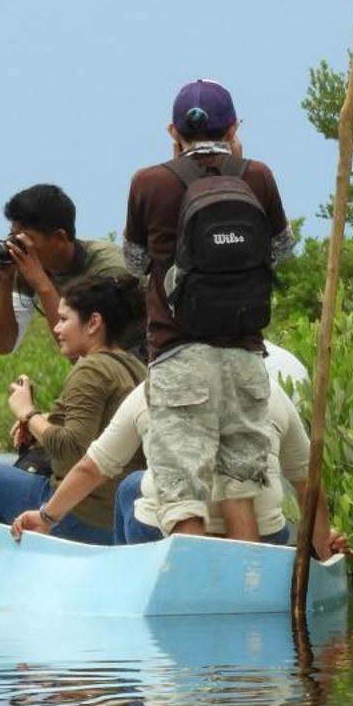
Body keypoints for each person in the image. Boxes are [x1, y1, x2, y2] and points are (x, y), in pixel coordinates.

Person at [123, 79, 296, 542]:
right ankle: (251, 588)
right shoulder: (257, 174)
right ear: (234, 125)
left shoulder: (149, 181)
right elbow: (281, 252)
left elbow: (134, 262)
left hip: (179, 353)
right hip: (244, 351)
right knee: (239, 485)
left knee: (181, 489)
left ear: (172, 131)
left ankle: (195, 593)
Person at [10, 367, 349, 561]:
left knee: (131, 485)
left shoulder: (154, 387)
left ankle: (129, 580)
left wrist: (46, 517)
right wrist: (323, 552)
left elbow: (92, 467)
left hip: (174, 541)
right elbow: (308, 482)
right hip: (263, 542)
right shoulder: (272, 390)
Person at [0, 276, 146, 543]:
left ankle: (22, 559)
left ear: (93, 323)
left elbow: (73, 450)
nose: (56, 329)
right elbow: (99, 431)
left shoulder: (91, 369)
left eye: (64, 319)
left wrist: (27, 413)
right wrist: (42, 424)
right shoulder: (135, 366)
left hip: (85, 514)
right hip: (121, 513)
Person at [0, 184, 144, 358]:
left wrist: (42, 284)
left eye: (26, 239)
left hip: (142, 356)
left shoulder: (108, 267)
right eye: (14, 237)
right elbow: (4, 345)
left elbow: (83, 348)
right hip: (104, 364)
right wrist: (4, 282)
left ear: (60, 237)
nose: (20, 248)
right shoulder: (28, 264)